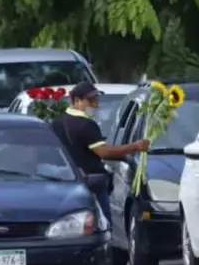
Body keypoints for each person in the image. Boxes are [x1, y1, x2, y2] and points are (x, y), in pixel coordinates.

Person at [51, 82, 149, 222]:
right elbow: (104, 152)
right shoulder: (86, 124)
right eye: (91, 100)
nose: (95, 104)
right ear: (77, 101)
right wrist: (134, 146)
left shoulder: (58, 122)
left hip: (67, 181)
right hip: (92, 183)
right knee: (103, 223)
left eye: (97, 99)